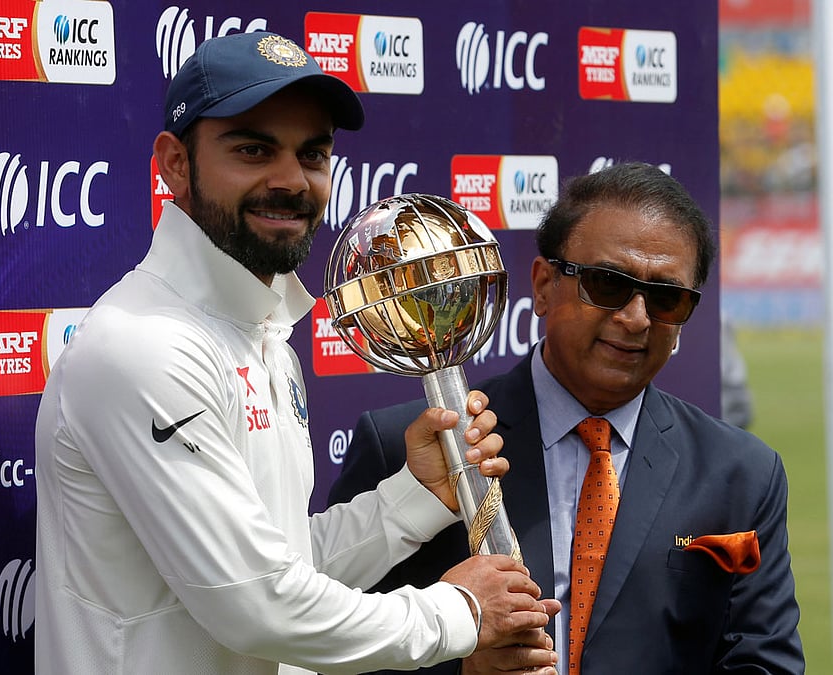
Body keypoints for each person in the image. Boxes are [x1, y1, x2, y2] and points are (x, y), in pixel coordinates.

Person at [33, 31, 561, 675]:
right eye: (253, 149)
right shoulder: (144, 347)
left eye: (312, 154)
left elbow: (276, 563)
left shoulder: (261, 332)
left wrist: (417, 496)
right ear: (174, 162)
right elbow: (257, 605)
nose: (291, 180)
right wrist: (460, 614)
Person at [329, 162, 805, 674]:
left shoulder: (740, 474)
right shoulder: (415, 450)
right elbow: (325, 648)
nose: (636, 317)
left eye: (667, 297)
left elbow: (764, 662)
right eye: (606, 284)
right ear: (543, 284)